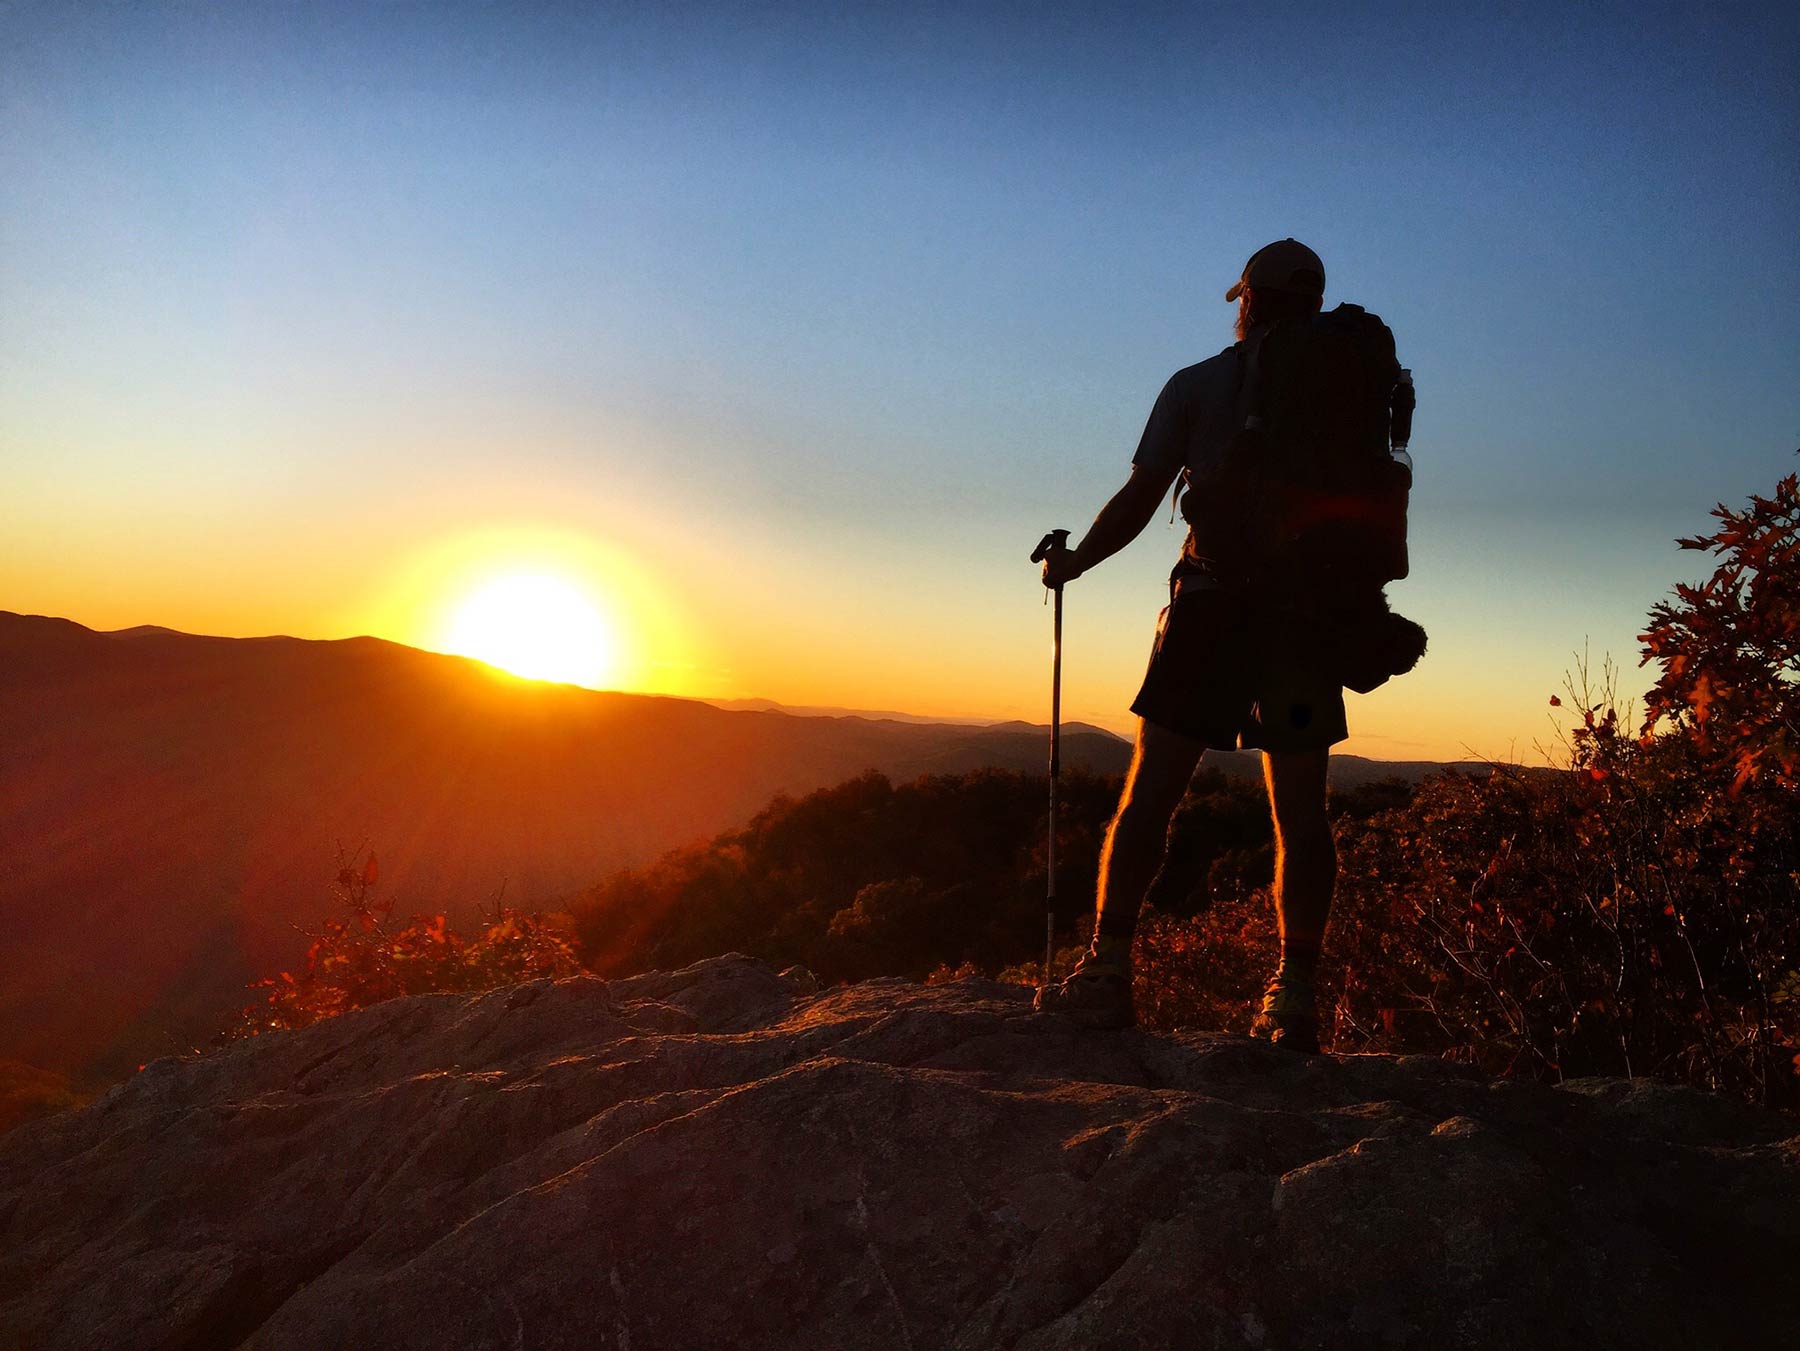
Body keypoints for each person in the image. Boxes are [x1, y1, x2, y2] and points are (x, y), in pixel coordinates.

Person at [1034, 238, 1372, 1053]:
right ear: (1316, 303)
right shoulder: (1347, 386)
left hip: (1212, 607)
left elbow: (1144, 496)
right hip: (1305, 619)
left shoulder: (1198, 385)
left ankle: (1108, 971)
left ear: (1247, 300)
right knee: (1301, 812)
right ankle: (1293, 998)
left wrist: (1073, 561)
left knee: (1151, 792)